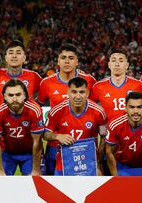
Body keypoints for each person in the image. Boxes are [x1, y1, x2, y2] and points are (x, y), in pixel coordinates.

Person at [37, 43, 97, 175]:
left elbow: (97, 109)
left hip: (84, 145)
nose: (67, 61)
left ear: (77, 61)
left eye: (71, 57)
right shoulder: (47, 83)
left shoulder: (89, 81)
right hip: (55, 144)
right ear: (58, 61)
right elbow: (37, 107)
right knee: (54, 188)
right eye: (63, 57)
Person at [43, 77, 107, 175]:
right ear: (68, 92)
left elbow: (103, 136)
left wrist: (98, 162)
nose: (78, 96)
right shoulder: (57, 111)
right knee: (60, 190)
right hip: (64, 163)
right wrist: (58, 136)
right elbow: (45, 134)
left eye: (82, 92)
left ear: (88, 93)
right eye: (74, 92)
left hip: (89, 164)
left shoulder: (99, 112)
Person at [0, 79, 44, 176]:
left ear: (25, 96)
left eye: (18, 95)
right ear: (4, 97)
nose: (14, 99)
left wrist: (36, 169)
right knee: (1, 183)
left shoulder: (34, 110)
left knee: (35, 184)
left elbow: (37, 141)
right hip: (6, 152)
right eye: (10, 95)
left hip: (30, 152)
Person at [105, 92, 142, 176]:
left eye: (139, 107)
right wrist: (115, 177)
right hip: (123, 167)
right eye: (132, 107)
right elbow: (109, 152)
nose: (135, 111)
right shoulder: (114, 125)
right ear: (125, 108)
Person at [90, 49, 142, 121]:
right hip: (108, 131)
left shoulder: (138, 85)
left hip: (132, 130)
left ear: (127, 65)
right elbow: (91, 111)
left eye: (121, 61)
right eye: (113, 60)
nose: (117, 64)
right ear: (109, 65)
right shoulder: (98, 87)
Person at [0, 40, 42, 105]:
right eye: (11, 53)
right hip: (2, 115)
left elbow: (47, 91)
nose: (14, 56)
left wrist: (33, 105)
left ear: (24, 58)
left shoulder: (34, 76)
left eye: (18, 53)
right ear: (6, 58)